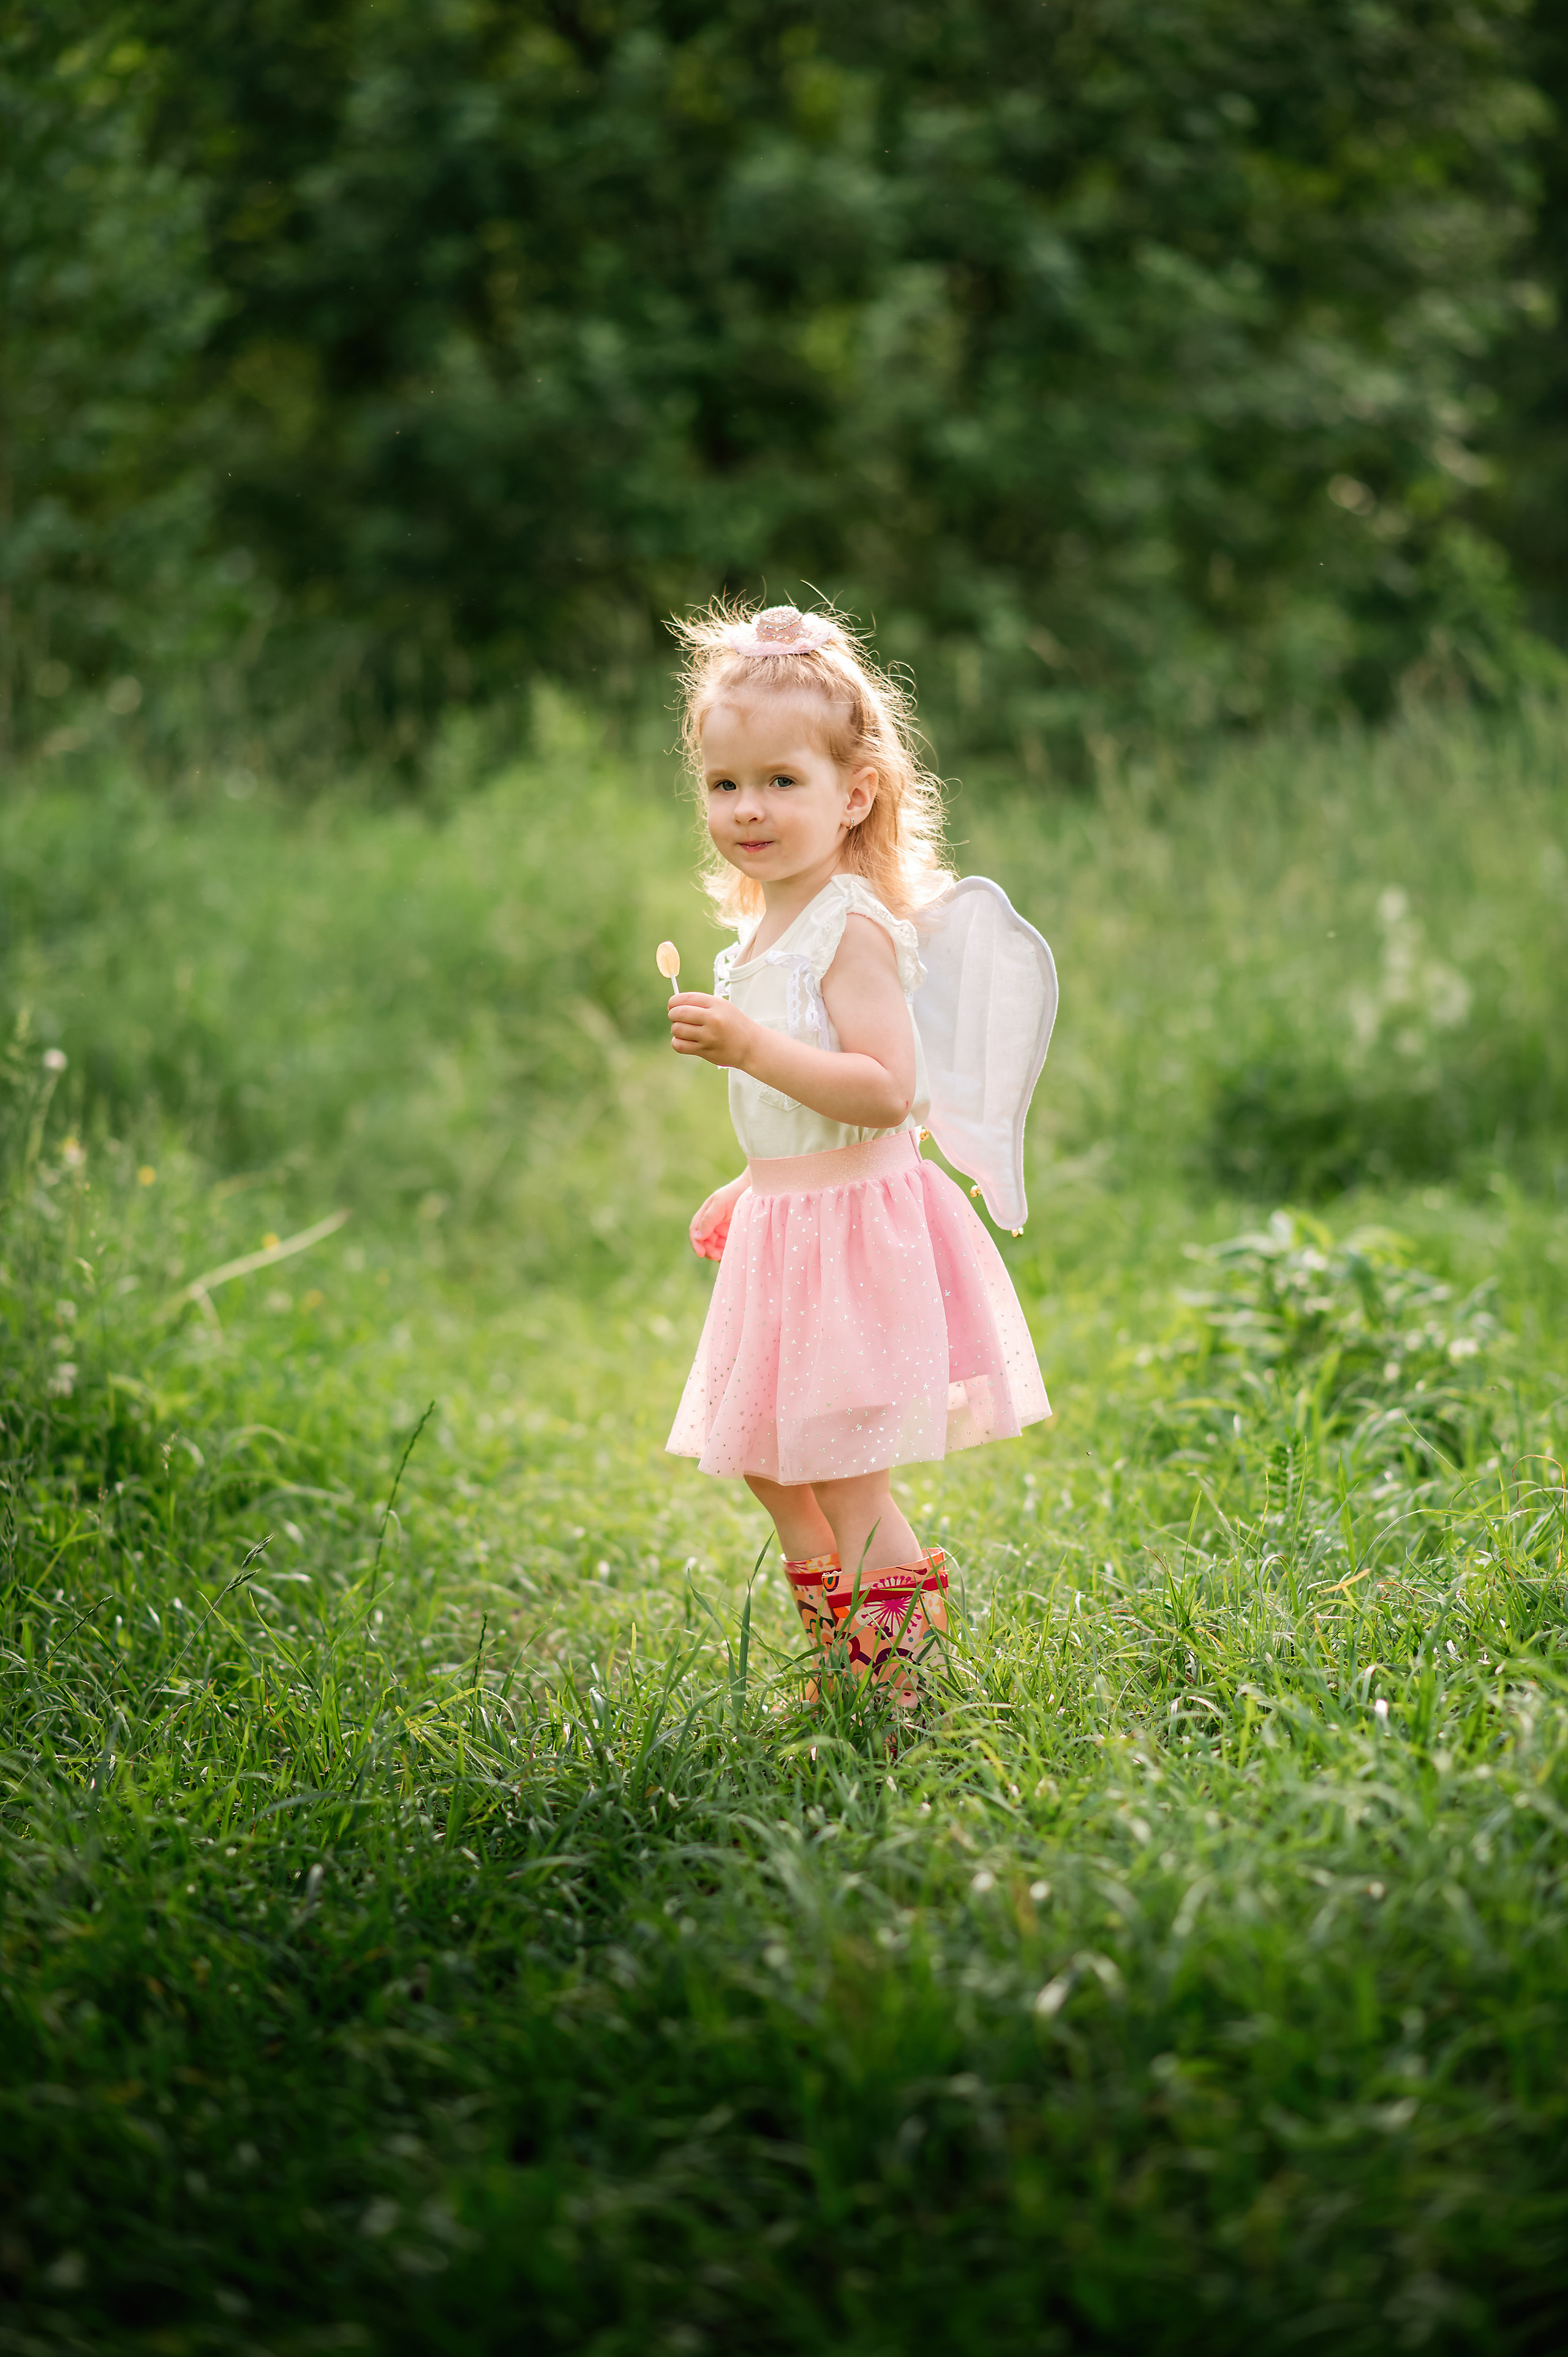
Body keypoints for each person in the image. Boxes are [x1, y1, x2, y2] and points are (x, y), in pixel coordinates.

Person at [664, 600, 1052, 1711]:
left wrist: (751, 1046)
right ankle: (845, 1657)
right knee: (774, 1466)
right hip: (796, 1223)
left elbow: (886, 1092)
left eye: (783, 781)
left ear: (856, 794)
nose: (750, 809)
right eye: (726, 784)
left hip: (854, 1235)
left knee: (843, 1472)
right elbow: (808, 1115)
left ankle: (903, 1692)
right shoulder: (764, 931)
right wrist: (755, 1179)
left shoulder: (851, 926)